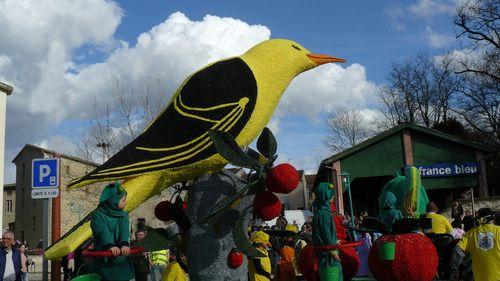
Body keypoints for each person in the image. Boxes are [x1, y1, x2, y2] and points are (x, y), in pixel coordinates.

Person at [90, 182, 134, 281]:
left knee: (123, 275)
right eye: (123, 201)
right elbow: (102, 231)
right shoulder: (98, 215)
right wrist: (110, 245)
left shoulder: (123, 215)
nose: (125, 203)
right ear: (113, 201)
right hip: (104, 258)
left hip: (120, 259)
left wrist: (124, 244)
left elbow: (124, 230)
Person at [449, 207, 499, 281]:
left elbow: (457, 251)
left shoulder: (470, 234)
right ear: (493, 220)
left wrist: (454, 271)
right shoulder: (498, 231)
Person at [312, 182, 342, 281]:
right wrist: (333, 250)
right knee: (334, 276)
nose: (333, 197)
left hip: (327, 252)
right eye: (331, 195)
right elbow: (326, 234)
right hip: (328, 255)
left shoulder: (322, 212)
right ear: (326, 197)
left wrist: (335, 241)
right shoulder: (323, 214)